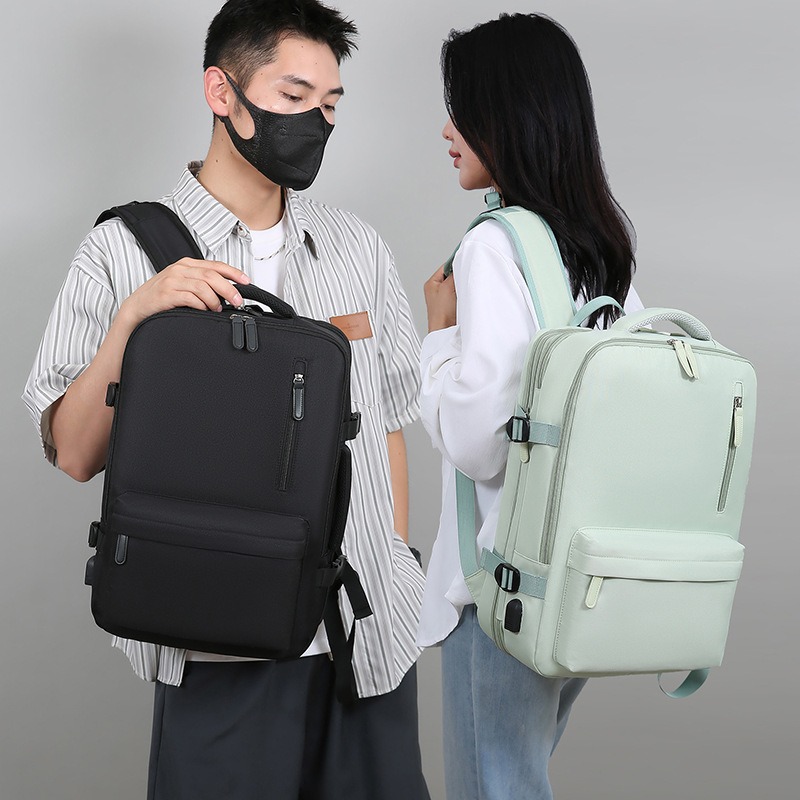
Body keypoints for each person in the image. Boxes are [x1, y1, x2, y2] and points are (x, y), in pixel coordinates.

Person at [22, 2, 430, 798]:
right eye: (294, 96)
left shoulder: (358, 248)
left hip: (363, 643)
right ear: (222, 92)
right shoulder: (123, 249)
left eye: (331, 104)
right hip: (216, 641)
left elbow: (386, 426)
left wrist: (396, 569)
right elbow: (73, 453)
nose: (316, 121)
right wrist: (136, 319)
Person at [419, 13, 644, 800]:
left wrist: (437, 338)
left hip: (504, 588)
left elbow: (477, 441)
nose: (447, 131)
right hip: (576, 579)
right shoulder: (600, 249)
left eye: (461, 109)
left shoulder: (495, 244)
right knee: (519, 781)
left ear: (506, 115)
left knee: (494, 788)